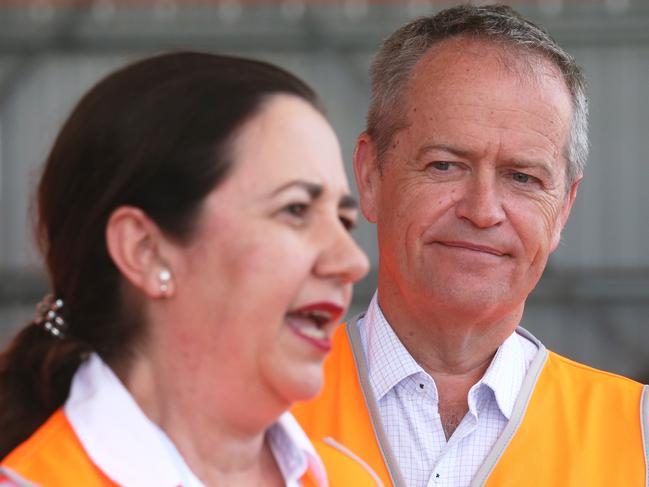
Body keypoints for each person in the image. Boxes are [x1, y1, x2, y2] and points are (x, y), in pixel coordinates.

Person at [293, 5, 649, 486]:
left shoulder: (638, 434)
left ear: (563, 207)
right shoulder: (253, 407)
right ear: (371, 174)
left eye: (522, 177)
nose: (482, 211)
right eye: (445, 165)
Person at [0, 52, 378, 486]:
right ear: (145, 250)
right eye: (295, 209)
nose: (352, 261)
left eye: (344, 220)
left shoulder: (349, 479)